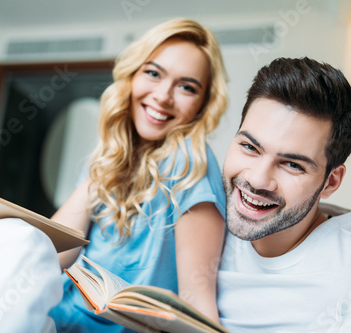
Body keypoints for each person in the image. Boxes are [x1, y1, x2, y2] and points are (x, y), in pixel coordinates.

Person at [49, 18, 228, 332]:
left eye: (187, 87)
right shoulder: (111, 153)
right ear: (132, 76)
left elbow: (198, 299)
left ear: (202, 105)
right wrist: (107, 163)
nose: (163, 96)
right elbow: (53, 254)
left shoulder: (191, 164)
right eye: (153, 73)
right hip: (59, 319)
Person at [217, 57, 351, 332]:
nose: (257, 179)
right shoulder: (205, 213)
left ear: (331, 182)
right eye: (249, 147)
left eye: (292, 165)